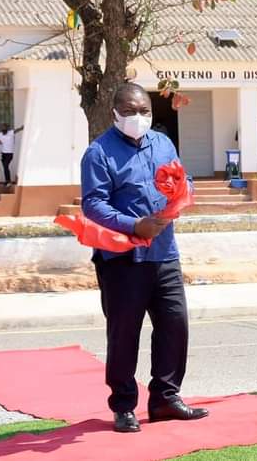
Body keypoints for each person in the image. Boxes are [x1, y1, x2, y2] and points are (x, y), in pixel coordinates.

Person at [81, 82, 207, 433]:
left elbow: (185, 179)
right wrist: (134, 224)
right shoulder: (98, 152)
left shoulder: (163, 143)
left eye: (145, 111)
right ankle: (123, 406)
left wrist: (185, 192)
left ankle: (165, 398)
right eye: (131, 111)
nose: (139, 117)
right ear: (115, 114)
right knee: (124, 334)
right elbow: (93, 204)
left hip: (164, 253)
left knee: (174, 325)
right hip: (121, 259)